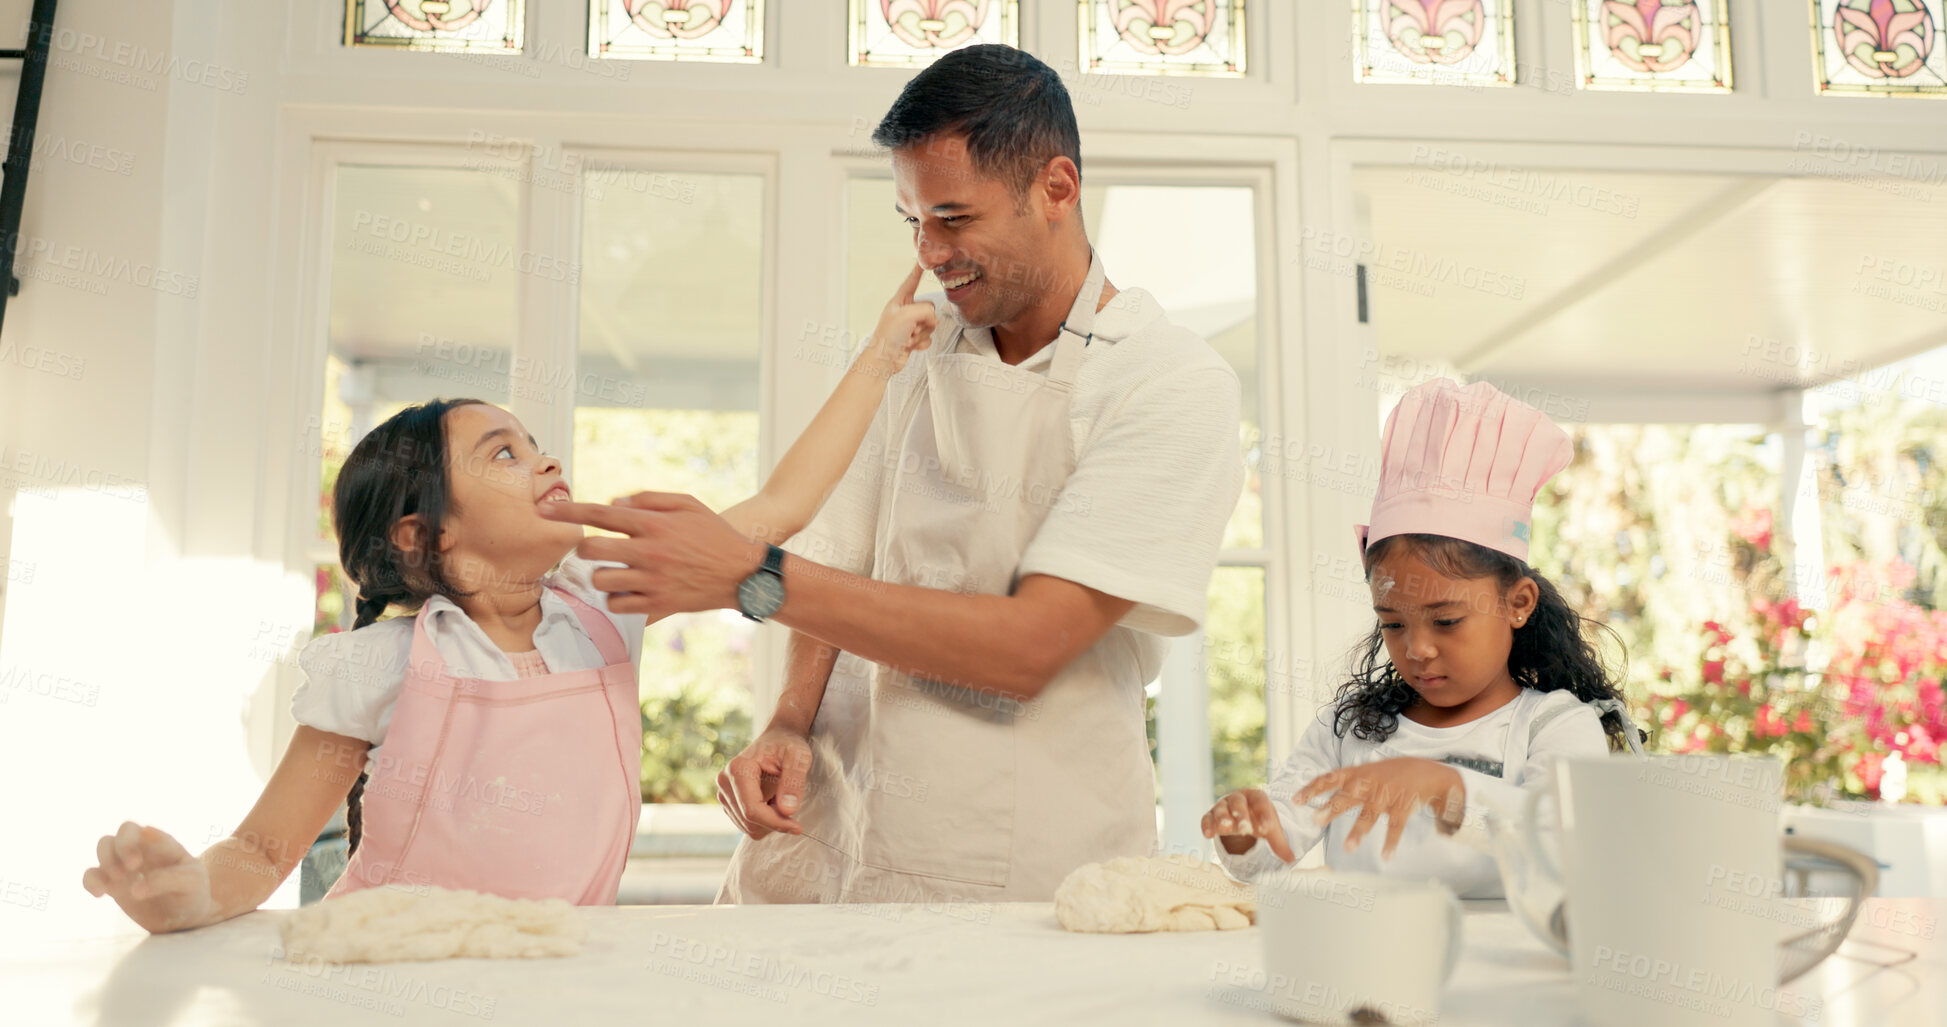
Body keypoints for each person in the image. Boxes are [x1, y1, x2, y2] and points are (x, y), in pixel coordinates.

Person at [539, 44, 1244, 904]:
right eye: (910, 220)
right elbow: (839, 550)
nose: (929, 250)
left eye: (953, 217)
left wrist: (751, 577)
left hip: (1019, 864)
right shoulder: (914, 347)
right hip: (830, 822)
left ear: (1056, 189)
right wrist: (790, 717)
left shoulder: (1167, 380)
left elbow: (1028, 645)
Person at [79, 306, 935, 933]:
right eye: (503, 452)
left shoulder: (600, 605)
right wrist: (184, 892)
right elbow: (263, 853)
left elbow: (774, 508)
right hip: (392, 983)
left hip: (549, 979)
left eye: (533, 441)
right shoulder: (380, 663)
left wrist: (878, 358)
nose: (546, 457)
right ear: (426, 532)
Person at [1203, 378, 1645, 899]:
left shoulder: (1554, 724)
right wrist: (1245, 832)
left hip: (1506, 969)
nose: (1417, 649)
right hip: (1370, 960)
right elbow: (1269, 855)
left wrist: (1448, 788)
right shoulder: (1350, 731)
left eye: (1447, 621)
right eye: (1392, 623)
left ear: (1518, 603)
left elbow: (1565, 841)